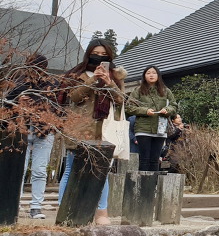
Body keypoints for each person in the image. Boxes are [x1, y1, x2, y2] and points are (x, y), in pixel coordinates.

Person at [58, 38, 126, 225]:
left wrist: (109, 82)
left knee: (101, 171)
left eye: (104, 55)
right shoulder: (76, 74)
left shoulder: (115, 76)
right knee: (71, 169)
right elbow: (74, 97)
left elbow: (120, 100)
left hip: (103, 129)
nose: (99, 57)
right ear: (89, 54)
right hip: (78, 127)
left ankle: (102, 213)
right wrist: (93, 79)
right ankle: (65, 209)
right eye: (96, 54)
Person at [10, 54, 60, 220]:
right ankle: (14, 204)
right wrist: (18, 100)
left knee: (39, 170)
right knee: (19, 169)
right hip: (22, 129)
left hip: (44, 130)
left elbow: (56, 105)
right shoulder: (18, 82)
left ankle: (36, 207)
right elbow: (7, 103)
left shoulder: (52, 83)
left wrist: (36, 102)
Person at [126, 66, 177, 172]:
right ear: (144, 76)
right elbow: (129, 107)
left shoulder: (166, 91)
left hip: (160, 128)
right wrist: (145, 111)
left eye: (154, 73)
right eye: (148, 73)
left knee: (155, 159)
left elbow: (174, 106)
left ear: (158, 75)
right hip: (143, 129)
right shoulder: (138, 90)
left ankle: (153, 182)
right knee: (144, 159)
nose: (151, 75)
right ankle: (142, 182)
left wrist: (167, 110)